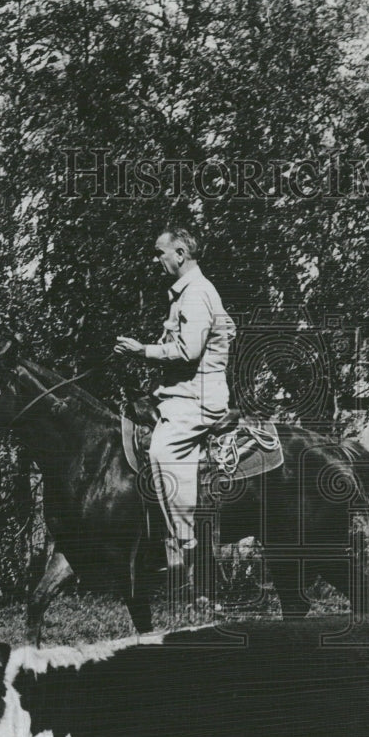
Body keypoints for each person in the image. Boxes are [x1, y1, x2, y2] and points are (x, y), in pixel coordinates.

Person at [114, 226, 235, 600]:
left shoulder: (196, 294)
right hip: (179, 392)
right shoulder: (185, 293)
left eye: (159, 252)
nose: (156, 259)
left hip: (197, 400)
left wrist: (141, 351)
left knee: (161, 452)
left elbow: (187, 352)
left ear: (180, 253)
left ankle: (188, 546)